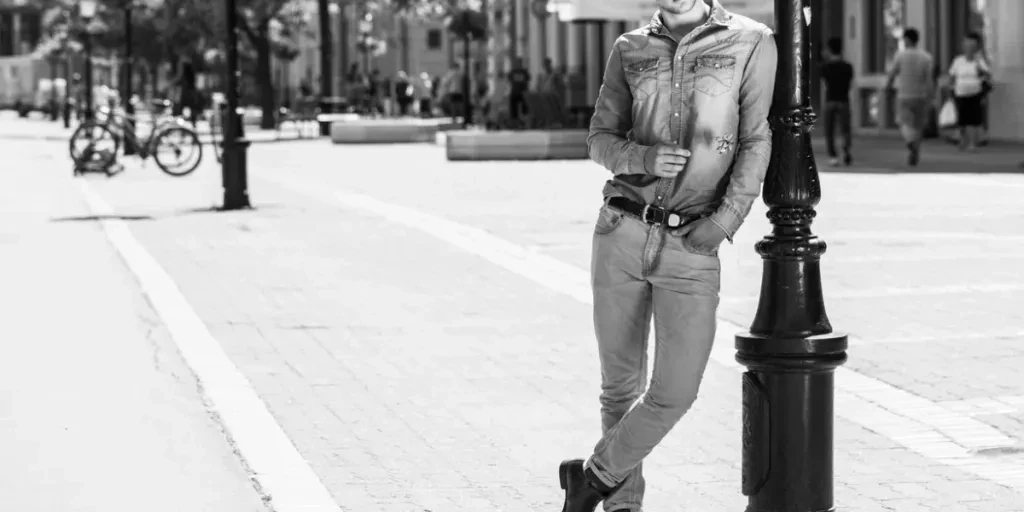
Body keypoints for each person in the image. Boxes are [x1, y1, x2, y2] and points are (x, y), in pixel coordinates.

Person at [559, 1, 777, 512]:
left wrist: (725, 221)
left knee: (675, 392)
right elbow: (598, 139)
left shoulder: (750, 40)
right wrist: (642, 158)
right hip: (620, 229)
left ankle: (592, 477)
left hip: (691, 242)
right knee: (619, 388)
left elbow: (756, 138)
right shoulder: (629, 48)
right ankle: (620, 506)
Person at [885, 28, 935, 166]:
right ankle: (916, 151)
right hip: (921, 95)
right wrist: (931, 95)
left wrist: (888, 86)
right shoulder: (926, 57)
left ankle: (910, 142)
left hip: (904, 95)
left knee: (903, 122)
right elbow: (929, 79)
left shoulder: (900, 56)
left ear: (907, 39)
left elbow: (892, 73)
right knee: (918, 125)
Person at [948, 32, 992, 152]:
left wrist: (980, 69)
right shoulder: (958, 61)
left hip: (975, 93)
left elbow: (987, 75)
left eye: (972, 46)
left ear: (976, 47)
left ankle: (972, 143)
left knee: (972, 119)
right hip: (960, 92)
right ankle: (963, 140)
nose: (969, 48)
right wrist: (951, 88)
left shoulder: (979, 61)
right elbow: (952, 76)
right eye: (967, 45)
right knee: (962, 119)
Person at [820, 37, 854, 166]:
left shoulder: (825, 67)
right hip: (844, 100)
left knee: (829, 130)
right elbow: (851, 85)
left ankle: (833, 156)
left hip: (830, 101)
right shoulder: (848, 67)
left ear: (829, 50)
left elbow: (824, 86)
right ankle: (846, 149)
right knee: (845, 129)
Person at [507, 57, 530, 121]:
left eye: (519, 63)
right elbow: (509, 79)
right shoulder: (512, 72)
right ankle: (514, 119)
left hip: (522, 92)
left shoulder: (524, 72)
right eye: (516, 63)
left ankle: (525, 118)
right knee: (513, 104)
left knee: (525, 105)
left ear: (521, 63)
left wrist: (520, 80)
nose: (518, 64)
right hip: (515, 92)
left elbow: (527, 79)